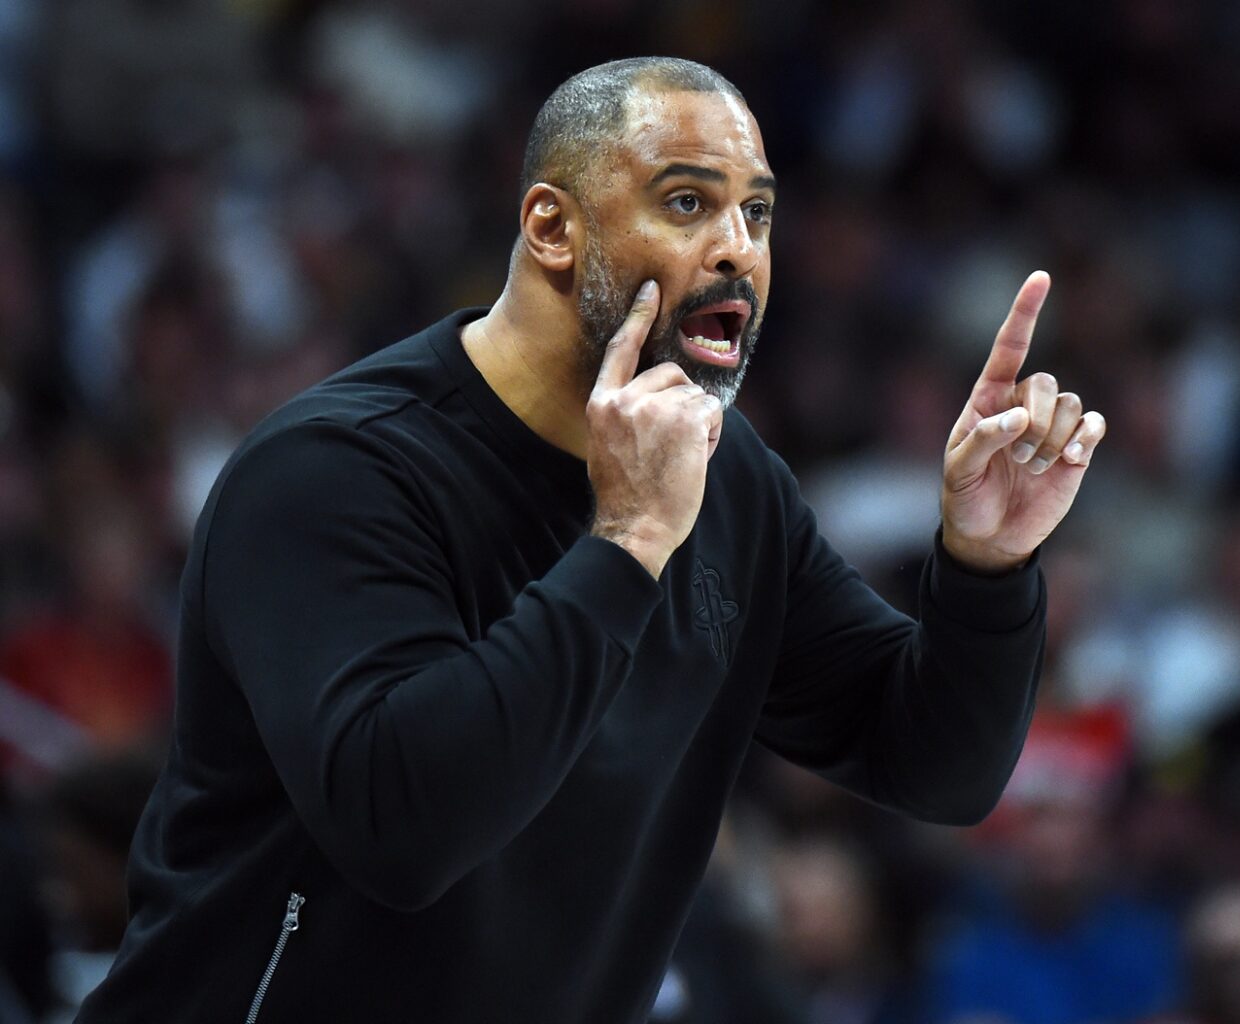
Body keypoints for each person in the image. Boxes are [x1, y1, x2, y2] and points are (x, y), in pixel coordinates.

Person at [76, 57, 1106, 1024]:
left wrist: (984, 567)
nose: (738, 249)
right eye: (689, 202)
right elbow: (403, 827)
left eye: (757, 213)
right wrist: (628, 542)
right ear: (552, 226)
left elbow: (937, 768)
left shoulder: (730, 481)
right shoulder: (330, 473)